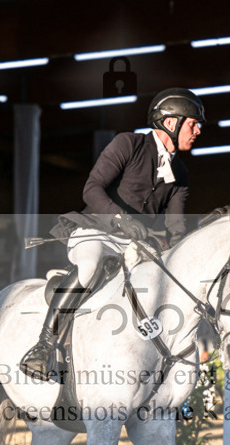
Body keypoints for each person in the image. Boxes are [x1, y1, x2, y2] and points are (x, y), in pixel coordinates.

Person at [20, 87, 205, 380]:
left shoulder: (180, 173)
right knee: (90, 265)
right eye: (194, 123)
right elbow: (91, 189)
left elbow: (177, 229)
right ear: (171, 123)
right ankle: (44, 346)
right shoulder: (127, 143)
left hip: (134, 245)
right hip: (95, 231)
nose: (198, 130)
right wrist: (119, 220)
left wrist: (198, 239)